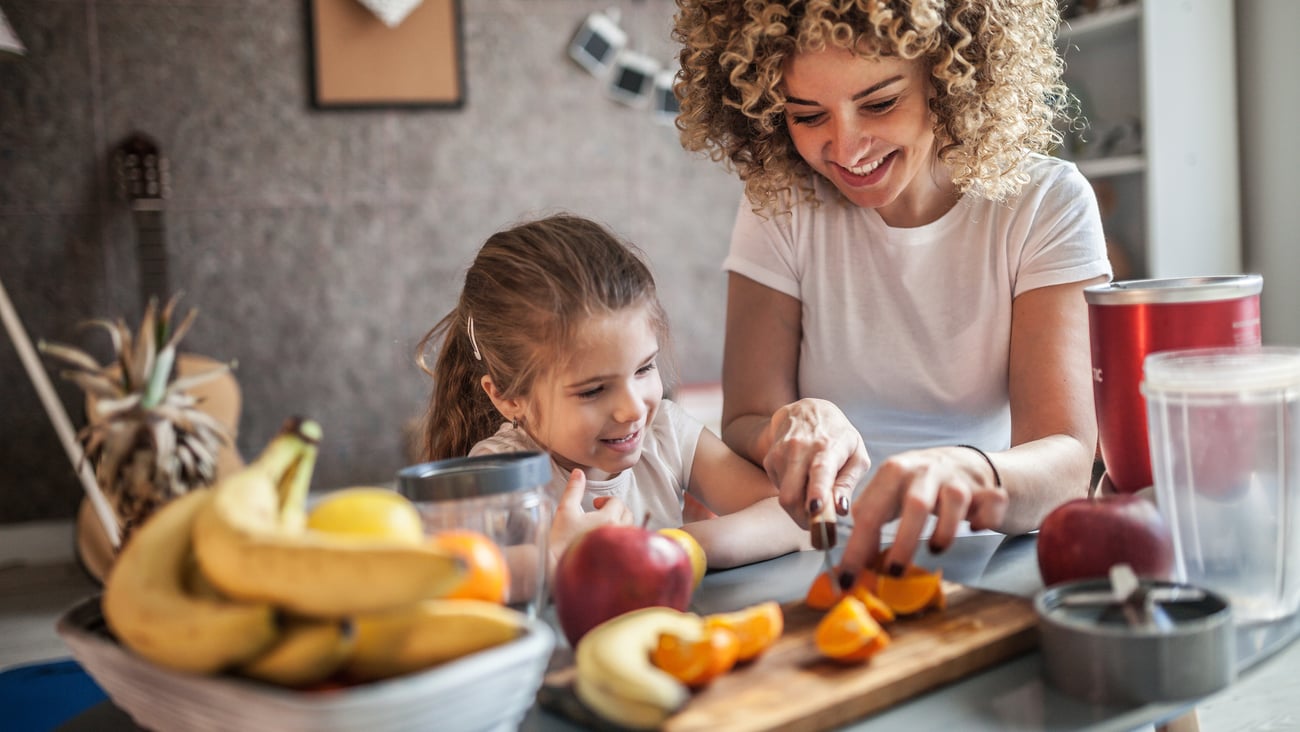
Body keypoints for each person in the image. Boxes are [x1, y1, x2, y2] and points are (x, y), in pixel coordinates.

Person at [671, 0, 1111, 582]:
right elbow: (746, 419)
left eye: (879, 104)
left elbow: (1068, 462)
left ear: (949, 78)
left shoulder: (1045, 205)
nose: (847, 150)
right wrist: (789, 425)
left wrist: (969, 473)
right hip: (814, 559)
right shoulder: (781, 203)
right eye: (808, 116)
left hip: (986, 558)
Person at [417, 214, 809, 598]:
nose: (632, 410)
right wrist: (560, 556)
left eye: (644, 368)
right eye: (593, 391)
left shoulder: (667, 435)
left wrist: (663, 548)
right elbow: (446, 575)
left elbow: (794, 518)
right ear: (507, 397)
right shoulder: (500, 472)